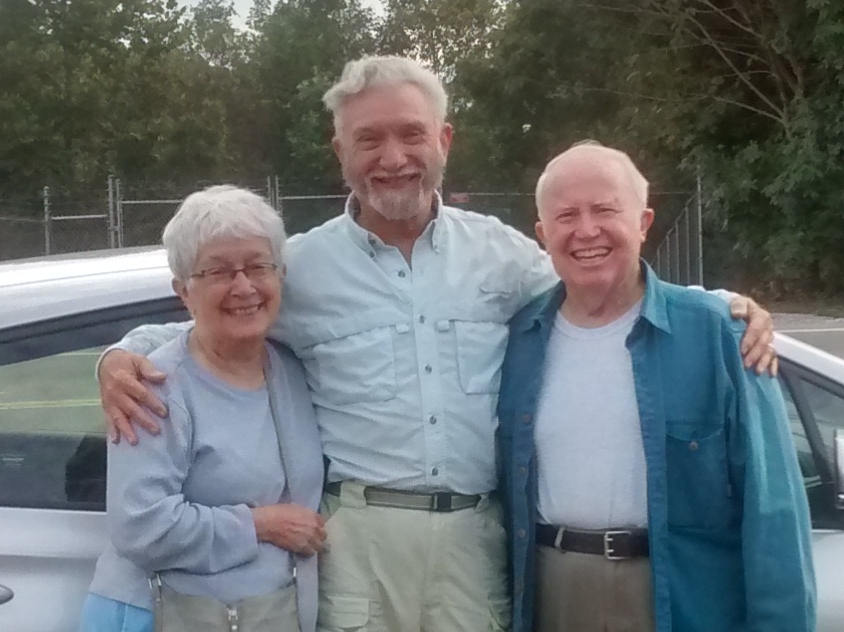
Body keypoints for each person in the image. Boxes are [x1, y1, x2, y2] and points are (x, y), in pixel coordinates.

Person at [97, 57, 777, 632]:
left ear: (444, 139)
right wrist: (119, 354)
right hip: (357, 543)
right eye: (369, 139)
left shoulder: (501, 255)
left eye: (411, 133)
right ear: (341, 153)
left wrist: (721, 307)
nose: (393, 158)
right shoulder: (299, 268)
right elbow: (215, 316)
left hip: (473, 541)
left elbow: (604, 286)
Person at [498, 142, 815, 632]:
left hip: (679, 599)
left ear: (644, 222)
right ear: (542, 234)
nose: (586, 230)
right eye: (566, 215)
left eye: (605, 210)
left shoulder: (719, 336)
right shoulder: (519, 338)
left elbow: (773, 512)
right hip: (551, 589)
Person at [80, 186, 324, 632]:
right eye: (219, 271)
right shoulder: (152, 385)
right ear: (184, 291)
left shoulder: (292, 369)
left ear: (281, 274)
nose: (244, 287)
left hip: (265, 613)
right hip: (159, 615)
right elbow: (141, 526)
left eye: (258, 266)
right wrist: (259, 525)